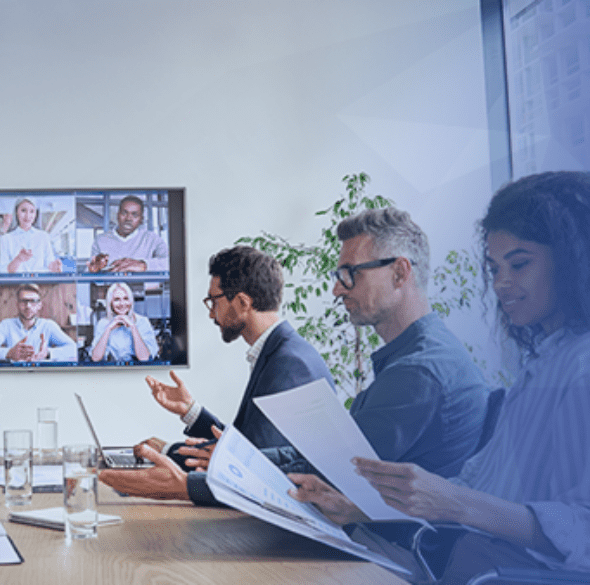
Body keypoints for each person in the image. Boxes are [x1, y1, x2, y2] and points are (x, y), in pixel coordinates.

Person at [289, 171, 590, 582]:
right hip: (457, 559)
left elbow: (581, 530)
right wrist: (361, 507)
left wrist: (453, 503)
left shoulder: (578, 369)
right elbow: (476, 485)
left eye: (518, 264)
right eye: (494, 267)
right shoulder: (544, 363)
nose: (501, 284)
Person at [264, 207, 490, 478]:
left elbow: (335, 470)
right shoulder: (420, 354)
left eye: (350, 273)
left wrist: (238, 464)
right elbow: (332, 452)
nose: (337, 289)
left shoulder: (419, 371)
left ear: (399, 273)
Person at [98, 246, 335, 504]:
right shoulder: (281, 351)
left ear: (243, 303)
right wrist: (190, 411)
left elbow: (250, 469)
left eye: (214, 301)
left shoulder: (289, 364)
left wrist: (169, 453)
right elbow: (246, 450)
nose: (211, 313)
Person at [0, 284, 77, 362]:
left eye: (33, 301)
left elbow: (73, 349)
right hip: (14, 376)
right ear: (17, 304)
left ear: (39, 305)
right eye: (24, 301)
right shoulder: (6, 325)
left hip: (41, 375)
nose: (28, 306)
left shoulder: (48, 326)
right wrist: (9, 353)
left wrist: (48, 353)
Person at [87, 195, 169, 273]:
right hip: (109, 287)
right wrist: (94, 269)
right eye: (124, 213)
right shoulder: (100, 240)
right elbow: (90, 269)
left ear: (141, 219)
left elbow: (171, 263)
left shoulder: (152, 239)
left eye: (135, 215)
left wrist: (143, 265)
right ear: (117, 215)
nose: (128, 218)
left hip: (142, 288)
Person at [88, 282, 159, 362]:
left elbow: (144, 358)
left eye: (126, 299)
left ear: (131, 301)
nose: (122, 304)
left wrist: (133, 327)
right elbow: (95, 358)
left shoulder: (142, 321)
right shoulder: (103, 323)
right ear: (110, 303)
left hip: (137, 371)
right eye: (117, 299)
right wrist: (108, 329)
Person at [0, 197, 62, 273]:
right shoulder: (6, 238)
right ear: (16, 212)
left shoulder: (44, 236)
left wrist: (54, 268)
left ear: (36, 214)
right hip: (15, 284)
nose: (28, 216)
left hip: (41, 284)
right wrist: (18, 259)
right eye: (23, 210)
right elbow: (3, 271)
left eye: (32, 211)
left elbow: (49, 264)